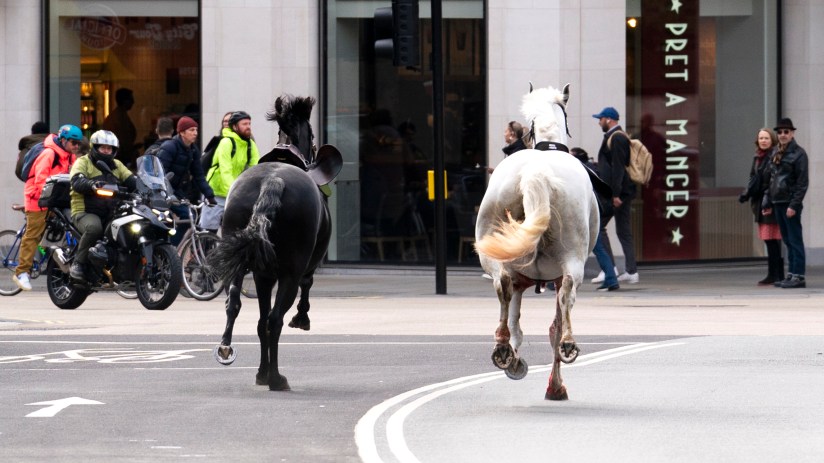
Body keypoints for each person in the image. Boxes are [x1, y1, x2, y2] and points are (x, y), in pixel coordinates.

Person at [12, 124, 82, 291]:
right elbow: (40, 180)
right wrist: (47, 198)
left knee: (63, 228)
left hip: (54, 198)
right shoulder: (49, 153)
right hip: (38, 198)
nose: (76, 146)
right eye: (74, 143)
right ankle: (22, 272)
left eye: (78, 143)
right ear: (63, 140)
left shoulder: (69, 156)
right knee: (33, 235)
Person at [69, 130, 137, 282]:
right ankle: (78, 264)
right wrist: (91, 184)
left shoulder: (117, 165)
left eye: (110, 148)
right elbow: (77, 181)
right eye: (103, 147)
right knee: (95, 228)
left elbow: (131, 180)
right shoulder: (83, 162)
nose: (107, 151)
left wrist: (147, 187)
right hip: (85, 211)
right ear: (95, 147)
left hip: (110, 211)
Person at [590, 106, 638, 285]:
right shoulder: (615, 137)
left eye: (600, 119)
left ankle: (609, 268)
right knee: (623, 231)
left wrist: (615, 194)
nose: (598, 122)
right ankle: (630, 271)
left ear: (609, 119)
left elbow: (618, 168)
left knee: (598, 227)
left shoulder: (617, 138)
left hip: (617, 194)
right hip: (621, 192)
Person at [762, 118, 808, 289]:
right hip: (778, 201)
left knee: (795, 239)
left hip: (789, 203)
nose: (782, 135)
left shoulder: (799, 154)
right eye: (780, 132)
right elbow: (771, 179)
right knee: (787, 240)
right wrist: (767, 202)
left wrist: (794, 205)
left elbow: (802, 183)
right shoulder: (775, 152)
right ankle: (791, 274)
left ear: (792, 133)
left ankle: (799, 275)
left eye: (786, 132)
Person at [156, 116, 217, 245]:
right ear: (182, 132)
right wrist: (167, 193)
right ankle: (162, 249)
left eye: (196, 130)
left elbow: (199, 175)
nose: (195, 133)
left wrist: (209, 195)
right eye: (191, 130)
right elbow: (159, 173)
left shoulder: (193, 150)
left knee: (190, 217)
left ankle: (171, 247)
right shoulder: (169, 147)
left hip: (176, 191)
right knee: (162, 222)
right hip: (160, 190)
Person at [199, 111, 260, 232]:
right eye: (244, 124)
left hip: (234, 194)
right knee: (208, 233)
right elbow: (225, 171)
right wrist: (235, 192)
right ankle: (201, 250)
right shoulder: (226, 143)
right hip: (216, 193)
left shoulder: (250, 145)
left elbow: (255, 170)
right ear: (235, 127)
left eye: (249, 123)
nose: (248, 126)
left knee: (236, 232)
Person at [738, 128, 783, 286]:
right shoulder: (757, 157)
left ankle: (776, 274)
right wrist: (746, 193)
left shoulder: (774, 156)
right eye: (761, 138)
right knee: (769, 240)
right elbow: (753, 178)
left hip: (768, 202)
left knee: (773, 240)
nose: (763, 140)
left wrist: (768, 200)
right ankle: (774, 274)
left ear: (772, 140)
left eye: (766, 138)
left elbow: (774, 181)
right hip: (759, 201)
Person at [571, 147, 618, 291]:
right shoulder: (591, 169)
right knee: (597, 248)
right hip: (595, 213)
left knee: (597, 248)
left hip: (590, 215)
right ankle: (611, 278)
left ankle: (611, 278)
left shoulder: (581, 172)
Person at [101, 88, 138, 169]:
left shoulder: (119, 115)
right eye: (131, 99)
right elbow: (124, 140)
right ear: (125, 101)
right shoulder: (119, 118)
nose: (133, 102)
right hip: (119, 158)